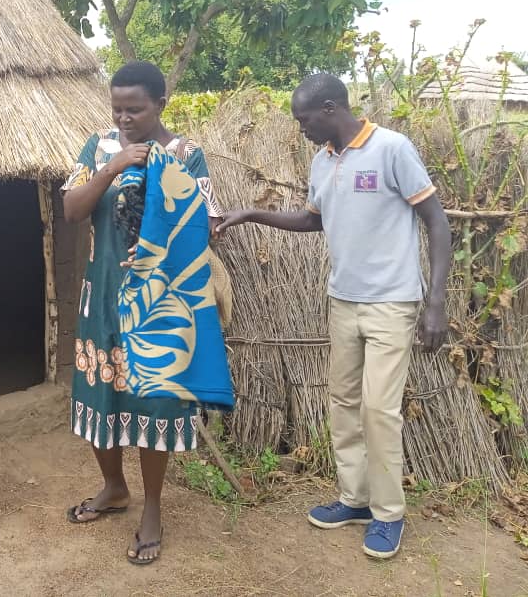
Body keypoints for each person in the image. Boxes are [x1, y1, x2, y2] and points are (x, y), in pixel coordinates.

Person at [216, 72, 451, 560]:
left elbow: (436, 221)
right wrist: (251, 214)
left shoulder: (391, 149)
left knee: (379, 410)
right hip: (342, 300)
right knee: (343, 402)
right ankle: (355, 499)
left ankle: (389, 514)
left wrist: (436, 303)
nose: (300, 128)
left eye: (304, 119)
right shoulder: (323, 161)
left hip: (392, 302)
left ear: (330, 109)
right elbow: (313, 220)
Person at [62, 60, 229, 566]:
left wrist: (163, 246)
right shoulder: (98, 148)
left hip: (161, 303)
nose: (123, 118)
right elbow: (72, 210)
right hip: (103, 296)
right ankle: (114, 487)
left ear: (160, 104)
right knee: (102, 391)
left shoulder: (185, 155)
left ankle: (152, 506)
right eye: (117, 108)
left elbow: (208, 225)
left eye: (134, 109)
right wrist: (113, 167)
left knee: (155, 402)